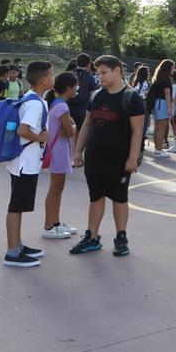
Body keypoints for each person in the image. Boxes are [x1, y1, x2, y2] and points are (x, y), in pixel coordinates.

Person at [69, 55, 147, 257]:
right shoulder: (96, 96)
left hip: (119, 159)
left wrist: (132, 158)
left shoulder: (132, 98)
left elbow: (137, 131)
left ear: (118, 71)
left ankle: (121, 237)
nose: (99, 76)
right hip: (95, 157)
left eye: (104, 72)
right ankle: (92, 237)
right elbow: (86, 124)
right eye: (97, 72)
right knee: (95, 197)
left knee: (120, 198)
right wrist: (78, 150)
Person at [3, 61, 52, 267]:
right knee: (16, 206)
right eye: (51, 75)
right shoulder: (34, 104)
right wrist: (42, 138)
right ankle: (12, 252)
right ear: (43, 80)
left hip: (23, 161)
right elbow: (23, 130)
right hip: (25, 162)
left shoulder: (33, 99)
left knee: (19, 205)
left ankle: (18, 245)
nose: (53, 78)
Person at [41, 71, 79, 239]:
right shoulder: (62, 106)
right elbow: (70, 131)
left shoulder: (55, 103)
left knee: (57, 188)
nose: (77, 90)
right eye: (75, 87)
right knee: (56, 188)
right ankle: (49, 226)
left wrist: (69, 127)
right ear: (69, 88)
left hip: (57, 149)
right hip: (59, 150)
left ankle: (55, 223)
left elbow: (67, 130)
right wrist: (72, 127)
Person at [147, 60, 174, 158]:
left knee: (157, 127)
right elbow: (167, 94)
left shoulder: (157, 78)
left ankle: (158, 149)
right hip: (162, 103)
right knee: (162, 127)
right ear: (168, 68)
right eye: (172, 67)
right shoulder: (166, 80)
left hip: (155, 103)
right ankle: (158, 150)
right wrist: (169, 108)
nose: (173, 70)